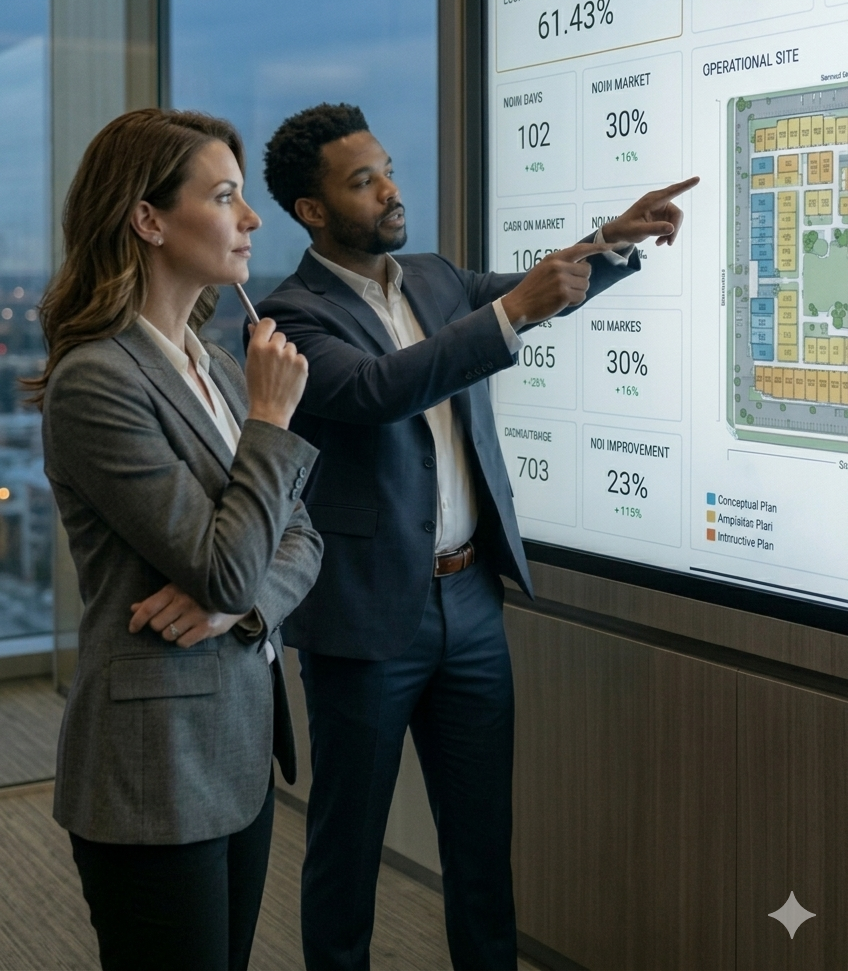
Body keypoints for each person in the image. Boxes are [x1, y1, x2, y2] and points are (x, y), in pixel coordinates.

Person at [255, 101, 697, 971]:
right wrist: (511, 313)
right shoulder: (287, 316)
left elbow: (535, 297)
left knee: (482, 849)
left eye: (385, 168)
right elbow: (381, 388)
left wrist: (609, 240)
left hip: (470, 602)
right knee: (348, 855)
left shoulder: (431, 277)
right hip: (366, 621)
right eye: (362, 180)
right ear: (311, 211)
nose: (389, 189)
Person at [34, 108, 323, 971]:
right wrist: (271, 420)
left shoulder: (215, 365)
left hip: (234, 750)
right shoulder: (96, 380)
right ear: (148, 219)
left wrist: (237, 610)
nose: (251, 217)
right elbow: (227, 562)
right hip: (152, 771)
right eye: (226, 196)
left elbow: (301, 539)